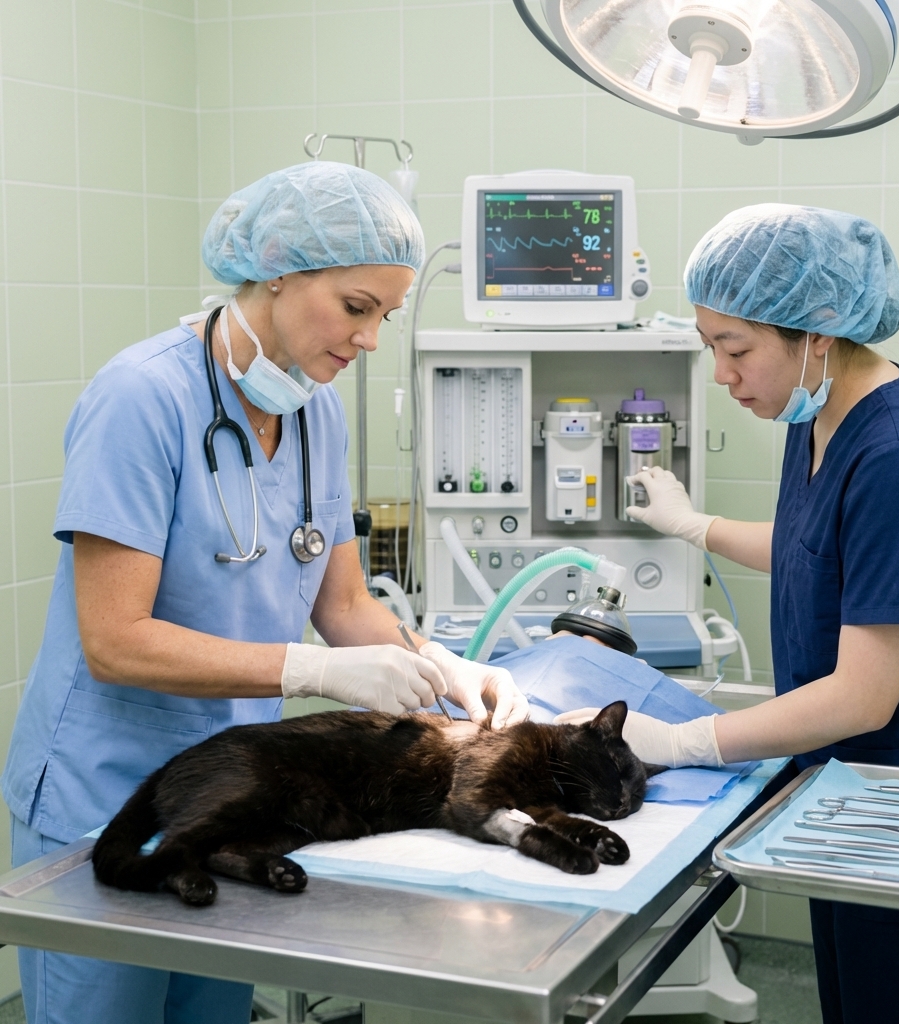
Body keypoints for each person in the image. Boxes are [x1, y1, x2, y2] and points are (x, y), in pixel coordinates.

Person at [1, 161, 528, 1024]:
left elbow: (345, 603)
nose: (368, 341)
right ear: (278, 267)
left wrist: (436, 666)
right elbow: (114, 637)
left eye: (384, 318)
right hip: (109, 794)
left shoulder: (316, 409)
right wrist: (310, 672)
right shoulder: (143, 398)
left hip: (235, 796)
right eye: (357, 308)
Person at [559, 205, 899, 1024]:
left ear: (816, 334)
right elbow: (816, 545)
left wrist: (683, 742)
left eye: (736, 351)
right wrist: (694, 525)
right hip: (843, 790)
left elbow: (860, 699)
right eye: (711, 350)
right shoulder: (820, 414)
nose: (724, 376)